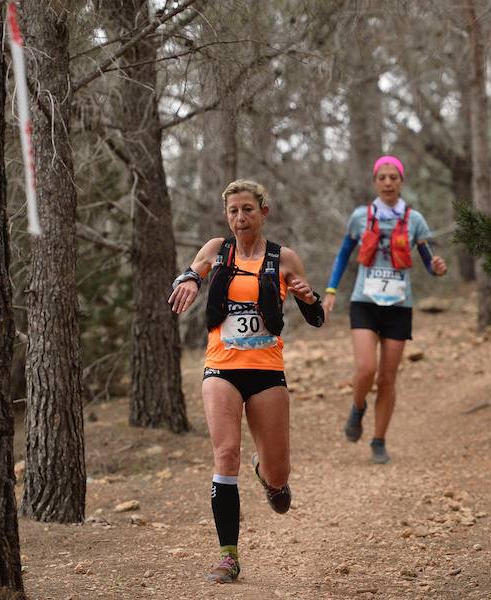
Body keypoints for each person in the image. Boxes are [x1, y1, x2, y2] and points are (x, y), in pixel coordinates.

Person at [168, 179, 324, 584]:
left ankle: (270, 477)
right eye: (234, 210)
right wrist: (186, 281)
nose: (240, 217)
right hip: (221, 366)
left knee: (278, 472)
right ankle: (228, 556)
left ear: (263, 212)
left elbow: (317, 317)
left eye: (248, 210)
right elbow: (191, 272)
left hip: (267, 370)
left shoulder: (283, 258)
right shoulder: (217, 249)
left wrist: (308, 298)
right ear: (227, 215)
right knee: (226, 454)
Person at [322, 155, 447, 464]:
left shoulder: (415, 220)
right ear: (375, 182)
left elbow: (430, 262)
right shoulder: (360, 217)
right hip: (364, 302)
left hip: (399, 306)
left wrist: (437, 268)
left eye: (394, 177)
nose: (388, 182)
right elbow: (342, 256)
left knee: (388, 378)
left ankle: (378, 440)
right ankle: (358, 406)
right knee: (366, 368)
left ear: (401, 182)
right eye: (383, 177)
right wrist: (330, 290)